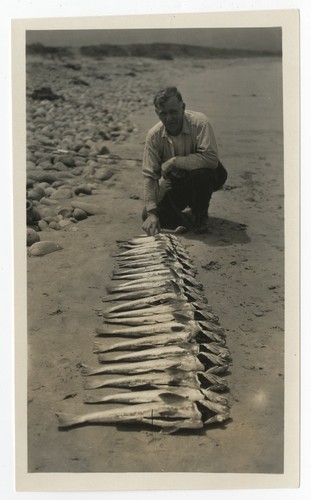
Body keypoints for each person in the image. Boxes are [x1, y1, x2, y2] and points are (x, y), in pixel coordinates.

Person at [142, 86, 227, 235]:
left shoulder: (200, 123)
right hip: (176, 181)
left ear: (183, 107)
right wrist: (152, 213)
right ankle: (185, 212)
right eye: (163, 113)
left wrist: (174, 161)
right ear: (157, 113)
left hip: (207, 175)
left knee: (200, 175)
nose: (169, 118)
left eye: (173, 112)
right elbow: (150, 176)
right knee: (149, 215)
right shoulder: (153, 136)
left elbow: (211, 159)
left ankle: (200, 215)